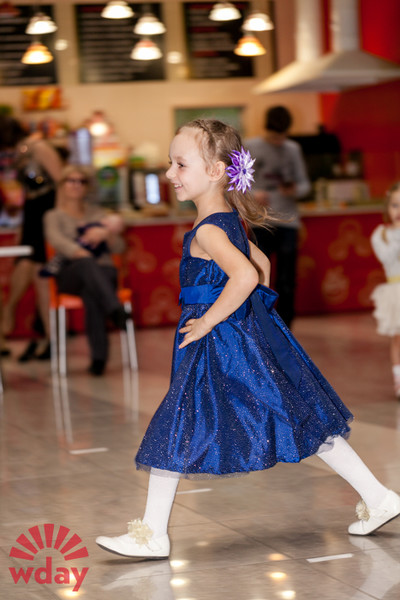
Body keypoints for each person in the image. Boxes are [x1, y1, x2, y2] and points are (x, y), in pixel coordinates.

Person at [96, 119, 400, 559]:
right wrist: (248, 323)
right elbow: (260, 269)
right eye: (170, 163)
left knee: (179, 423)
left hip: (217, 341)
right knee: (295, 415)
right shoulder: (228, 221)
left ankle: (152, 534)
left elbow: (243, 275)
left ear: (217, 171)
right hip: (235, 338)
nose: (170, 174)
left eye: (180, 164)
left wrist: (208, 321)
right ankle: (378, 498)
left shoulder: (208, 230)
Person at [43, 165, 128, 376]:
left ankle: (99, 360)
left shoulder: (97, 213)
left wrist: (106, 234)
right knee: (88, 265)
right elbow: (58, 242)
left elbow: (118, 247)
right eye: (70, 180)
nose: (76, 185)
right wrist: (83, 251)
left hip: (101, 275)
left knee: (93, 292)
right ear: (62, 185)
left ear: (86, 186)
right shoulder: (53, 216)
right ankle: (114, 308)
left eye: (81, 181)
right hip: (70, 274)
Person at [0, 115, 64, 361]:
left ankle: (12, 318)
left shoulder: (38, 147)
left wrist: (57, 220)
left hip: (47, 209)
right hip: (33, 209)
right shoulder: (21, 153)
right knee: (30, 266)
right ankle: (45, 335)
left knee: (38, 271)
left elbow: (60, 181)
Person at [246, 106, 311, 328]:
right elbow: (235, 185)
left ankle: (286, 327)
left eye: (281, 137)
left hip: (289, 221)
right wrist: (254, 194)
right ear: (266, 129)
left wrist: (294, 190)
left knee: (286, 281)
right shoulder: (250, 146)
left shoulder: (293, 149)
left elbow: (305, 185)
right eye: (274, 137)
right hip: (261, 221)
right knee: (258, 276)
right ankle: (259, 323)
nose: (278, 141)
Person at [370, 182, 400, 398]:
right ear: (387, 208)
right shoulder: (381, 234)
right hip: (395, 290)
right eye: (395, 205)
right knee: (397, 337)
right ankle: (399, 378)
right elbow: (387, 257)